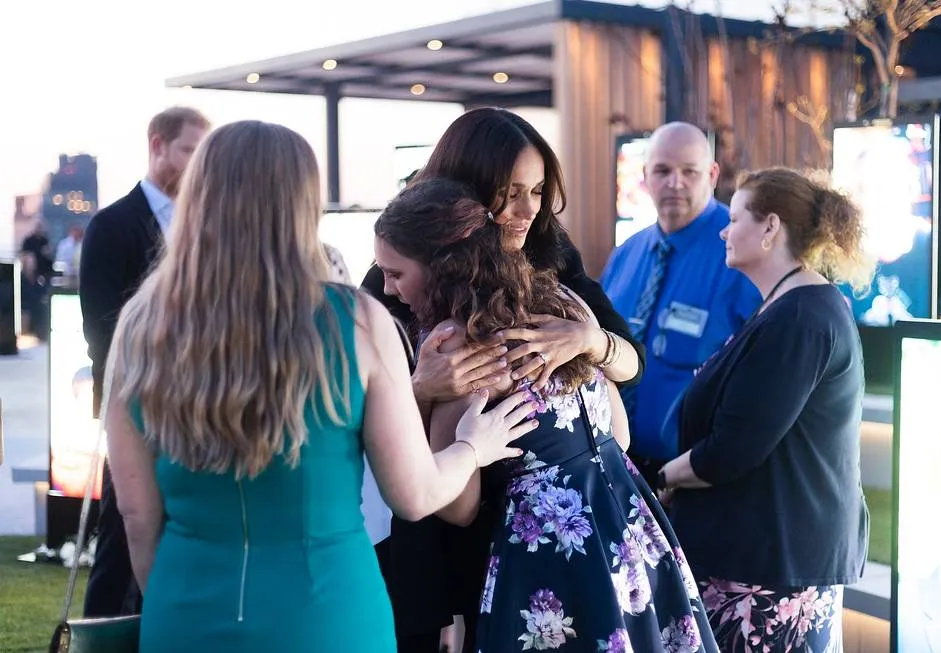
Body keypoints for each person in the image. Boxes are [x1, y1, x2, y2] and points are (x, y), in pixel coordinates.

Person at [102, 120, 539, 653]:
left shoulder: (140, 326)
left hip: (186, 613)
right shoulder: (353, 321)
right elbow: (416, 494)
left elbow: (136, 516)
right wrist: (475, 447)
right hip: (329, 615)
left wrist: (177, 600)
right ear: (303, 205)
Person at [375, 178, 717, 653]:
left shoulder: (457, 345)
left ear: (438, 268)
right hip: (628, 526)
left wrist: (431, 400)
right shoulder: (563, 301)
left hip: (551, 554)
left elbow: (458, 507)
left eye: (394, 273)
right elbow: (616, 431)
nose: (387, 288)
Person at [361, 106, 645, 652]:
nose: (525, 211)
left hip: (536, 529)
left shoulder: (552, 260)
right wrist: (421, 391)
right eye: (511, 191)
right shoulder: (397, 278)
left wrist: (589, 342)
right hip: (436, 523)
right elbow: (367, 408)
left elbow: (631, 367)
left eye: (537, 192)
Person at [657, 167, 872, 652]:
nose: (723, 230)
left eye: (734, 218)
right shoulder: (787, 306)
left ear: (770, 228)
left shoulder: (799, 318)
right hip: (767, 560)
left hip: (772, 571)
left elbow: (733, 449)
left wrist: (660, 480)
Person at [79, 105, 210, 617]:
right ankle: (99, 635)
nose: (197, 164)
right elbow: (102, 332)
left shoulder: (206, 226)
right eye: (189, 151)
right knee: (122, 532)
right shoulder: (111, 225)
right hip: (136, 409)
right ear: (157, 145)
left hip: (201, 413)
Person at [601, 122, 760, 485]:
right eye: (662, 171)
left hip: (700, 478)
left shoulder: (741, 254)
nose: (675, 183)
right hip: (620, 470)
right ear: (645, 176)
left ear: (713, 174)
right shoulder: (625, 257)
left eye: (689, 171)